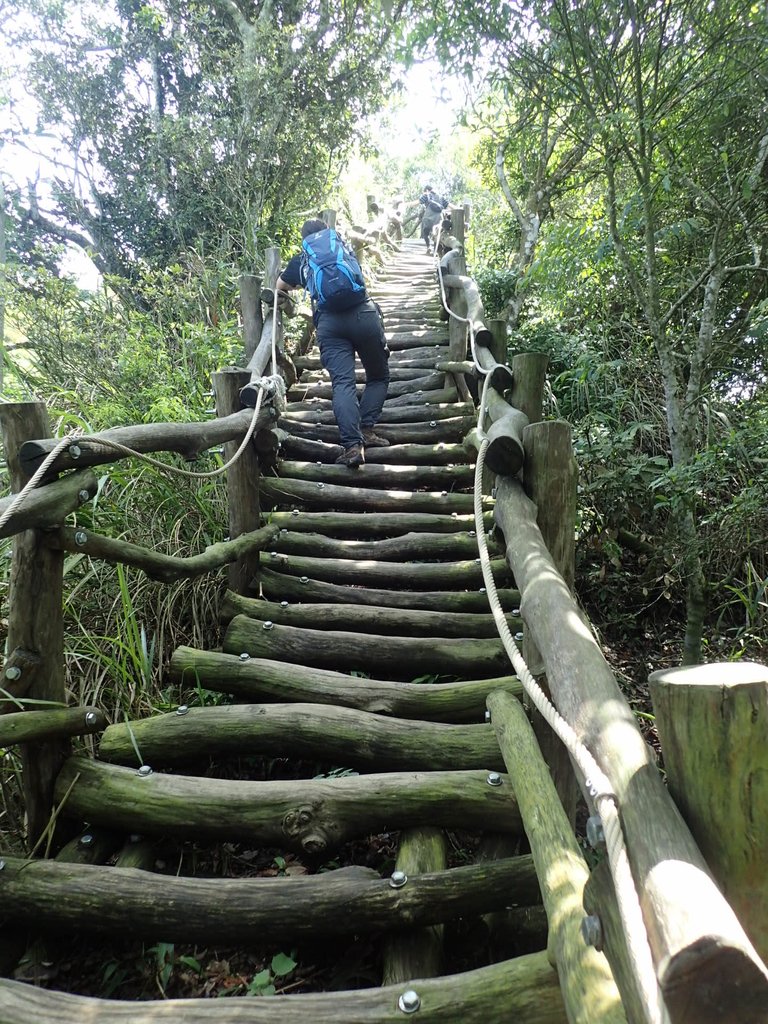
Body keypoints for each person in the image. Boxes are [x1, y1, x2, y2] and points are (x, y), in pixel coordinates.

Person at [276, 218, 390, 468]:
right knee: (379, 376)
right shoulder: (344, 247)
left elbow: (279, 288)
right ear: (327, 232)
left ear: (304, 240)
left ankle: (353, 446)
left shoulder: (302, 259)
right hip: (364, 315)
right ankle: (367, 429)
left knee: (343, 383)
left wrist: (295, 287)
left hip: (330, 324)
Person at [418, 183, 448, 253]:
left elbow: (418, 202)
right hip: (438, 219)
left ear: (427, 190)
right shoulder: (441, 197)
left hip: (428, 218)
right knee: (437, 234)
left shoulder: (427, 194)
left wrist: (405, 204)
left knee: (426, 233)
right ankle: (435, 250)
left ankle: (428, 247)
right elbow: (449, 205)